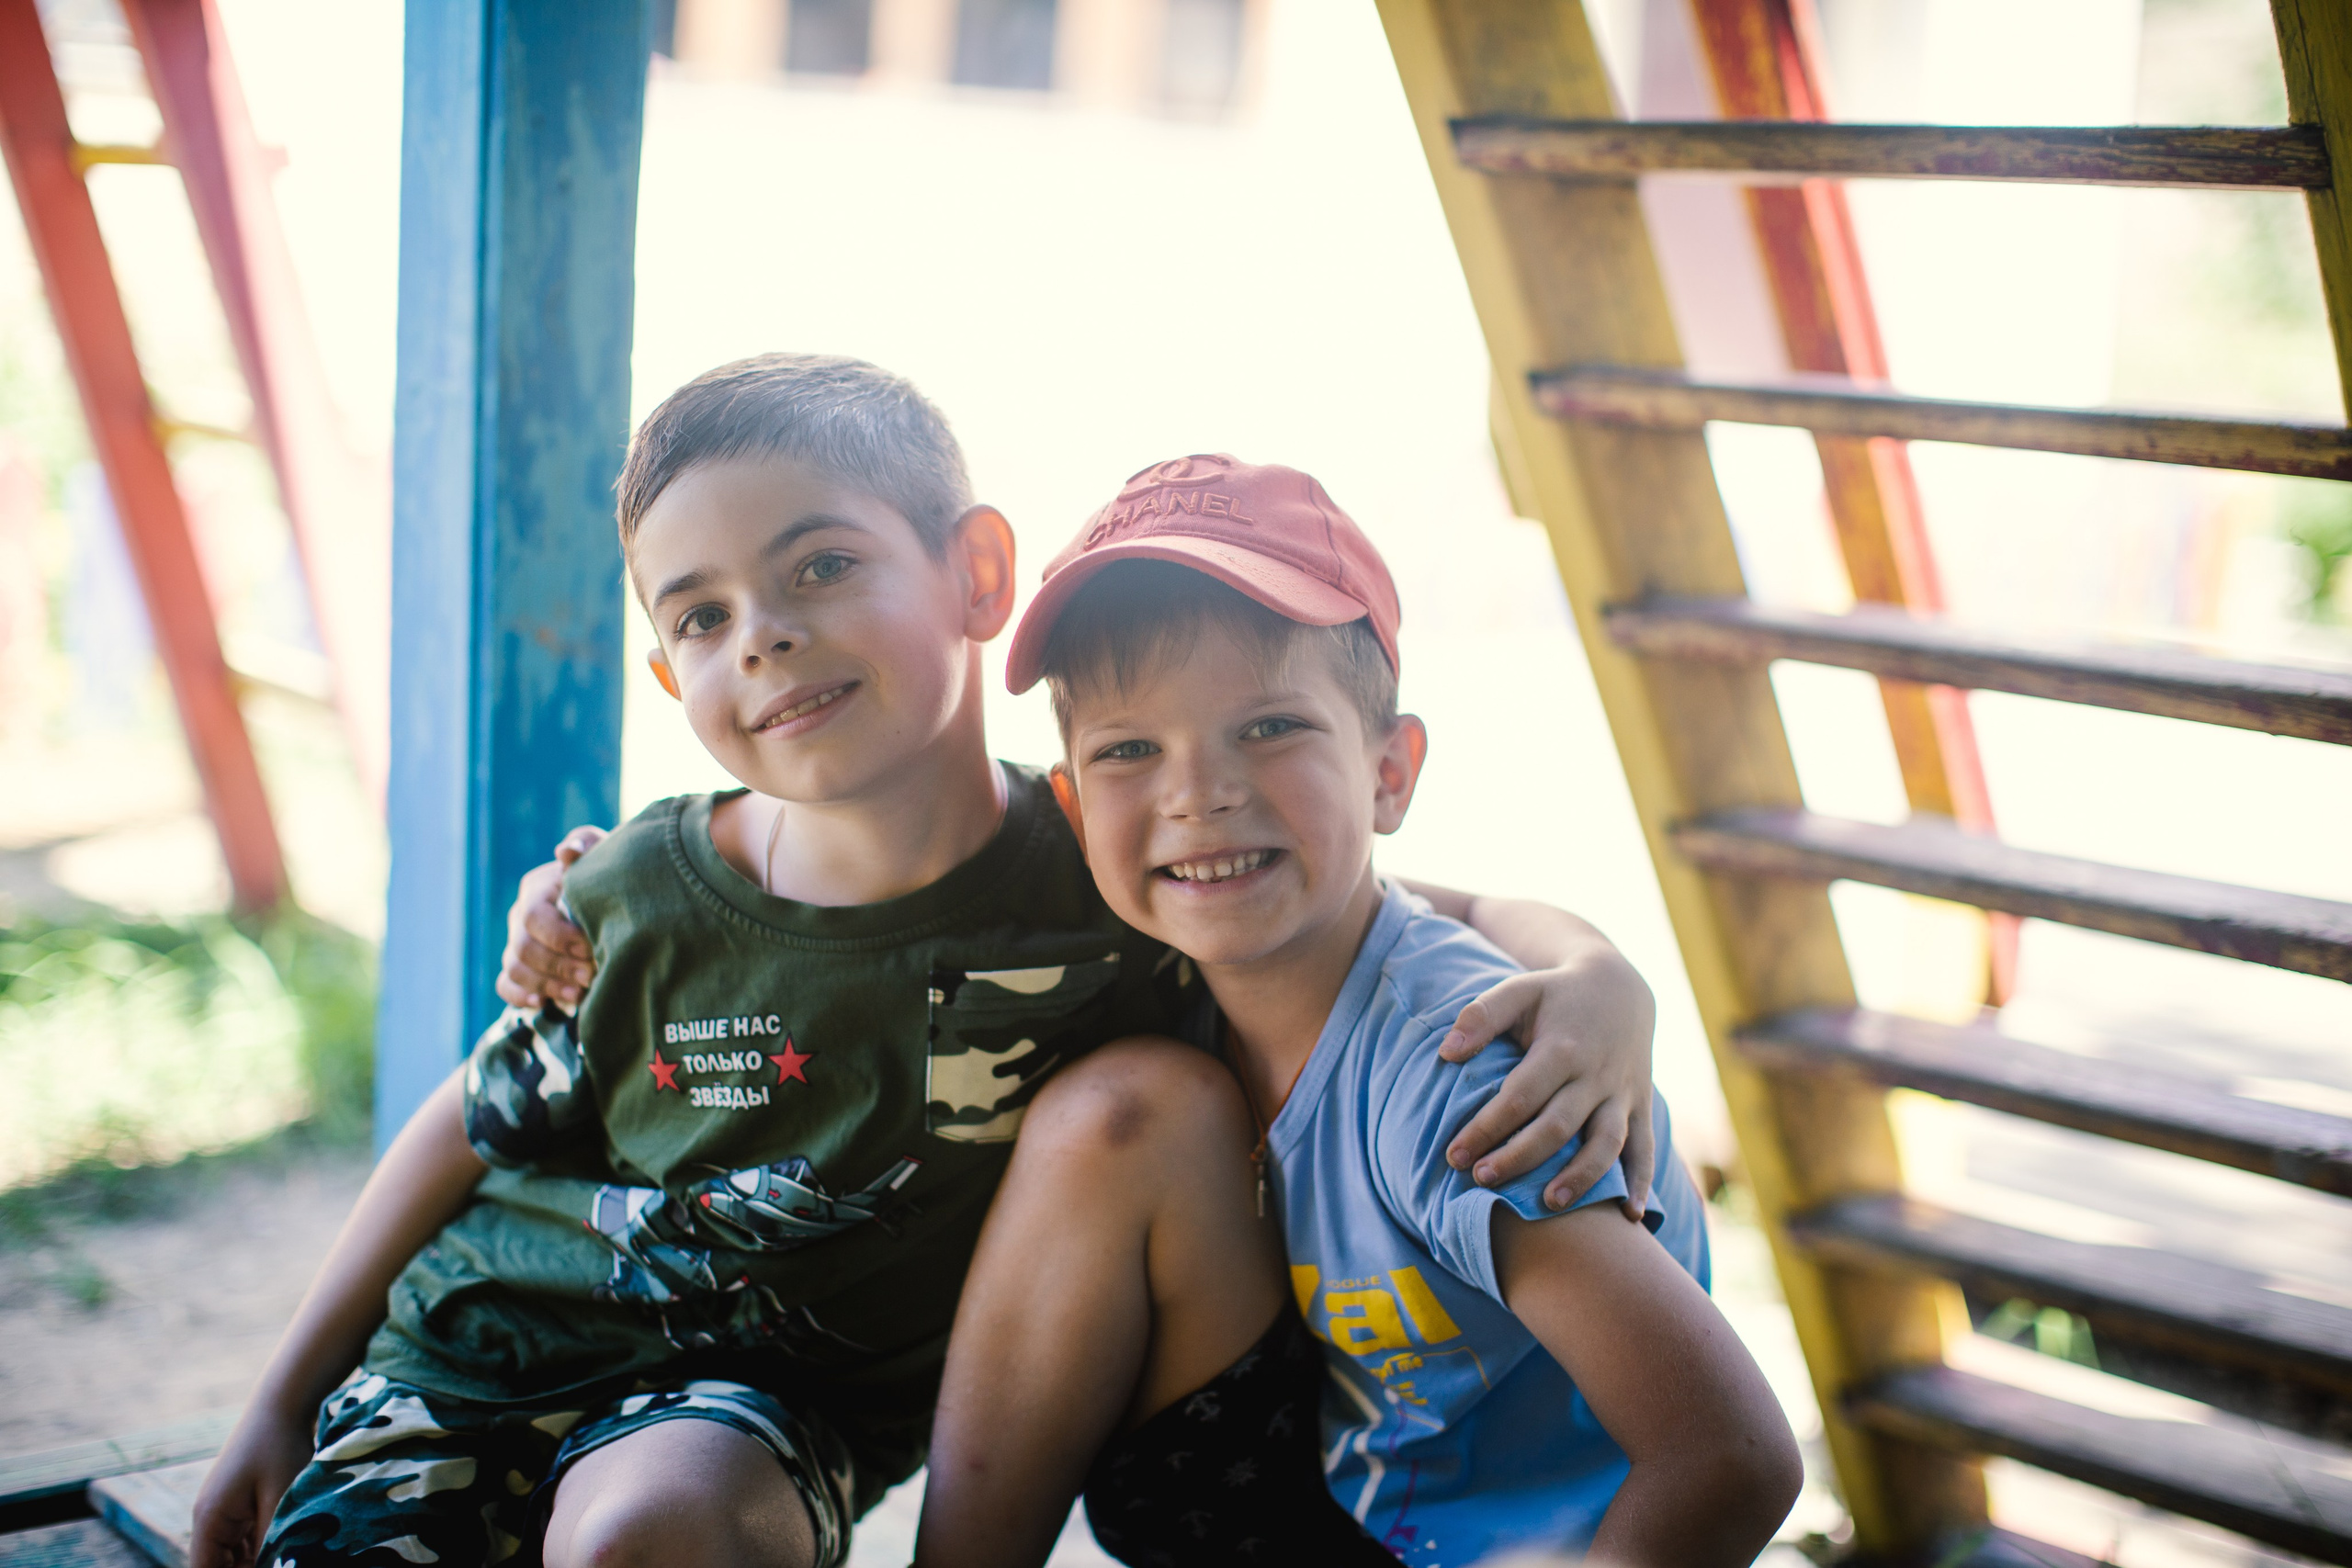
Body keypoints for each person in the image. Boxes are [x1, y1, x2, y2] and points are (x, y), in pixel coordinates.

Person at [191, 357, 1666, 1568]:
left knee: (653, 1528)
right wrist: (279, 1396)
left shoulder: (1114, 862)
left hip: (749, 1420)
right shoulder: (636, 884)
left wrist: (1603, 973)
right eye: (702, 614)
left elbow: (1405, 903)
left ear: (976, 572)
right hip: (461, 1353)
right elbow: (473, 1113)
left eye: (820, 565)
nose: (765, 636)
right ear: (669, 672)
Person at [915, 457, 1803, 1568]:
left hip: (1520, 1549)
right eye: (1130, 750)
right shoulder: (1196, 940)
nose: (1198, 793)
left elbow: (1730, 1458)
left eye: (1270, 728)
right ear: (1072, 805)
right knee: (1113, 1114)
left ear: (1390, 772)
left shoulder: (1463, 1077)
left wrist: (1594, 977)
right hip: (1350, 1489)